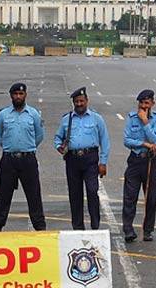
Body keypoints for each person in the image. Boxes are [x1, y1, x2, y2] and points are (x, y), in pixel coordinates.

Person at [0, 83, 46, 232]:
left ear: (25, 95)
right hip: (9, 160)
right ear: (11, 96)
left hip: (28, 159)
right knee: (3, 195)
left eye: (21, 94)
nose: (18, 97)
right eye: (15, 94)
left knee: (34, 195)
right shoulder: (3, 114)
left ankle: (40, 227)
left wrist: (27, 147)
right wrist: (10, 147)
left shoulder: (33, 114)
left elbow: (39, 135)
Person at [54, 87, 110, 230]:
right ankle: (78, 227)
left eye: (81, 101)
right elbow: (57, 137)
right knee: (75, 194)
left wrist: (103, 162)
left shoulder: (96, 118)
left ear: (87, 101)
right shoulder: (67, 119)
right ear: (73, 102)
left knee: (92, 191)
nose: (79, 104)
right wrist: (59, 146)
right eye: (76, 101)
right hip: (72, 160)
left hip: (90, 158)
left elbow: (105, 141)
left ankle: (95, 225)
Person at [122, 89, 156, 243]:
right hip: (135, 159)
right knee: (130, 195)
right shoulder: (132, 118)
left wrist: (145, 121)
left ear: (152, 103)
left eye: (147, 103)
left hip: (151, 160)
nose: (144, 106)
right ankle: (128, 229)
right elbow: (127, 140)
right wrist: (143, 143)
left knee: (151, 197)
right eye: (141, 103)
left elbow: (155, 139)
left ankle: (147, 230)